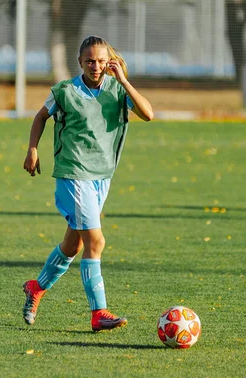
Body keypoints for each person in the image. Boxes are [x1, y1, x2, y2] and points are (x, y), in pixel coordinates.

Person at [21, 36, 153, 331]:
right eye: (90, 61)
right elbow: (41, 117)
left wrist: (123, 80)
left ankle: (36, 287)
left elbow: (148, 114)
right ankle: (99, 313)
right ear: (80, 62)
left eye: (102, 61)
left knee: (73, 244)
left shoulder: (118, 90)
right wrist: (32, 148)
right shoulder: (65, 91)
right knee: (97, 241)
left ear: (110, 62)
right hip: (73, 173)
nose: (96, 66)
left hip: (101, 177)